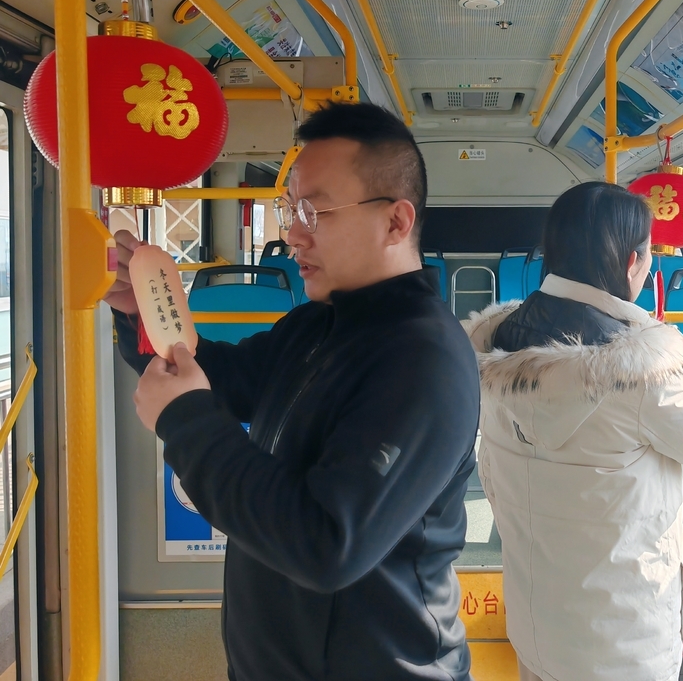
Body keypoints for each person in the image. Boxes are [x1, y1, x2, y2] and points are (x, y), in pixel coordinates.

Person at [107, 102, 481, 681]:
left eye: (315, 211)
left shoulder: (423, 361)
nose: (292, 233)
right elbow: (227, 380)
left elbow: (326, 544)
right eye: (290, 208)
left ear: (395, 222)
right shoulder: (320, 324)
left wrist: (185, 423)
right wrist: (147, 317)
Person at [464, 182, 683, 681]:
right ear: (631, 262)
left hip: (536, 624)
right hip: (622, 641)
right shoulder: (639, 374)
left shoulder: (495, 347)